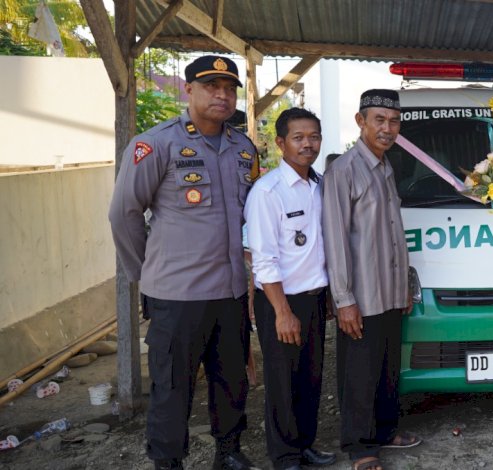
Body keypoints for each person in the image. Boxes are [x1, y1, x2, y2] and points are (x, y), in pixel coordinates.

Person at [108, 55, 259, 470]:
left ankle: (228, 451)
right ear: (188, 90)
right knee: (172, 386)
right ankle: (168, 461)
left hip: (229, 292)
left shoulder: (244, 149)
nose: (222, 95)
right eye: (211, 86)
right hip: (177, 295)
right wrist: (146, 275)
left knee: (231, 380)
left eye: (229, 89)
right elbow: (124, 214)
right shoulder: (155, 144)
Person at [322, 89, 422, 470]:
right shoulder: (343, 170)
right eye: (379, 120)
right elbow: (335, 238)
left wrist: (404, 288)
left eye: (394, 121)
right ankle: (360, 447)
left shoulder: (385, 166)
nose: (387, 128)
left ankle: (385, 431)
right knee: (359, 373)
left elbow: (393, 233)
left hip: (390, 290)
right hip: (361, 294)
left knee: (385, 368)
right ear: (360, 121)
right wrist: (344, 298)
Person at [244, 108, 336, 470]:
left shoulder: (319, 185)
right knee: (282, 382)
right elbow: (263, 260)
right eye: (298, 138)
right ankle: (285, 457)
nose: (308, 144)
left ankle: (305, 445)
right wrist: (282, 312)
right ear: (281, 143)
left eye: (314, 136)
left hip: (314, 298)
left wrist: (326, 296)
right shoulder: (268, 192)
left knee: (311, 378)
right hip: (280, 300)